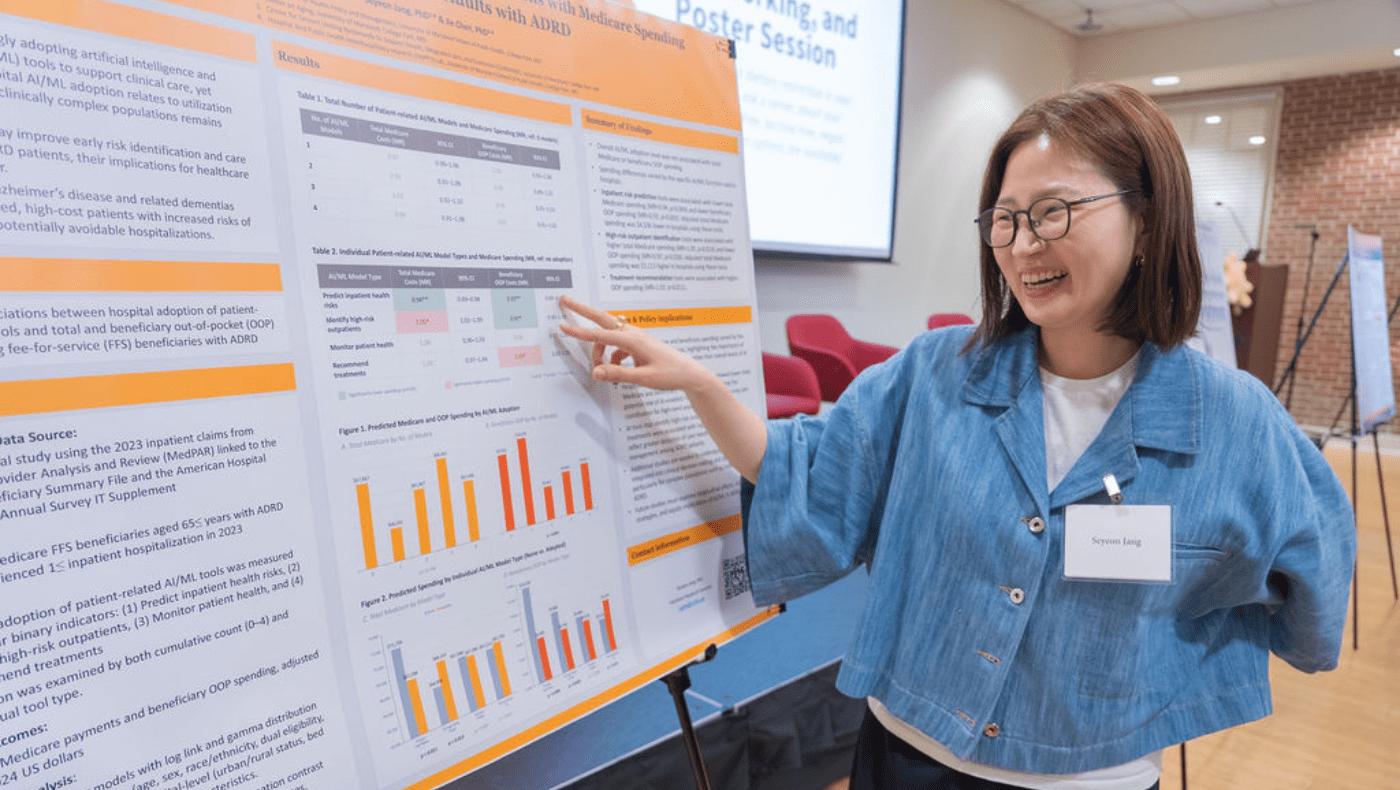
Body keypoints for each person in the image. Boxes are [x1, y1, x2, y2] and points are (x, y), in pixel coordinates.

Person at [558, 83, 1355, 790]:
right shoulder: (935, 375)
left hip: (1091, 778)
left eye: (1054, 211)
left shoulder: (1234, 421)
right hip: (905, 755)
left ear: (1147, 221)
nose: (1022, 243)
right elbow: (809, 472)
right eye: (1006, 219)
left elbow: (1314, 576)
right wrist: (701, 385)